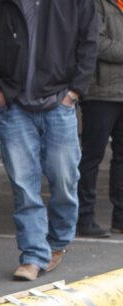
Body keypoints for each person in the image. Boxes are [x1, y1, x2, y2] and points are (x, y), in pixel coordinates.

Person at [0, 0, 98, 281]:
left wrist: (74, 93)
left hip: (59, 103)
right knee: (23, 184)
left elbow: (89, 44)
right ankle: (32, 254)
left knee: (65, 178)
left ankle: (58, 241)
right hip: (15, 106)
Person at [77, 0, 123, 239]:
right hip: (100, 93)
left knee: (122, 159)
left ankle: (120, 219)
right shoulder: (96, 4)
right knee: (92, 156)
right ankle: (84, 218)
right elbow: (97, 43)